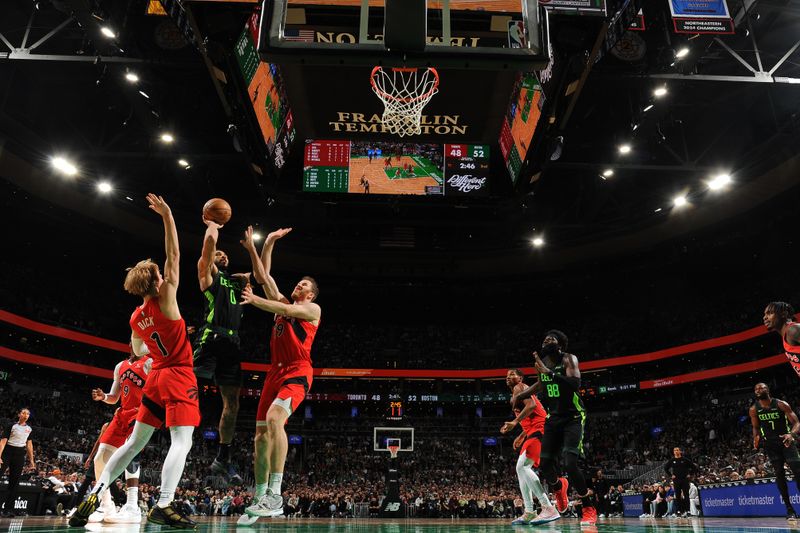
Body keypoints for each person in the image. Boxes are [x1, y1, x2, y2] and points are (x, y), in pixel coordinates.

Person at [70, 194, 200, 528]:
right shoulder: (166, 298)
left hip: (155, 377)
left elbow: (139, 350)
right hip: (178, 374)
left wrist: (157, 350)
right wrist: (168, 215)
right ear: (157, 280)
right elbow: (175, 253)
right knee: (181, 441)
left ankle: (96, 491)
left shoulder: (136, 317)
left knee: (133, 444)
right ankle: (165, 504)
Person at [239, 226, 321, 520]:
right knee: (260, 437)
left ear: (310, 294)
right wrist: (261, 244)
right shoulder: (283, 304)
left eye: (303, 285)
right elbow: (263, 277)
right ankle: (259, 497)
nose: (297, 287)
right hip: (274, 373)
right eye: (297, 284)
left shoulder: (312, 310)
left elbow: (269, 299)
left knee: (276, 419)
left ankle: (276, 494)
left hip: (298, 372)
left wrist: (256, 300)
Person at [512, 330, 596, 525]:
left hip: (573, 416)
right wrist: (521, 396)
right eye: (545, 339)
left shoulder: (569, 359)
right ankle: (560, 487)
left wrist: (549, 372)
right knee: (545, 464)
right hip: (554, 417)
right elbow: (541, 386)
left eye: (552, 339)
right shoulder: (542, 364)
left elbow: (575, 383)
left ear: (560, 345)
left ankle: (588, 507)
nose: (547, 340)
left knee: (569, 462)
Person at [194, 217, 250, 485]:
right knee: (184, 390)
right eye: (219, 253)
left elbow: (262, 275)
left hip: (232, 346)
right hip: (210, 341)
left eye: (226, 253)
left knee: (233, 404)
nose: (223, 255)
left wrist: (257, 248)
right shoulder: (207, 274)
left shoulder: (236, 282)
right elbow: (207, 250)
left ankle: (223, 457)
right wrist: (213, 227)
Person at [86, 343, 152, 523]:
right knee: (100, 458)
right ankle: (105, 505)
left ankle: (133, 506)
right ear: (131, 344)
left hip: (140, 413)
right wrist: (103, 397)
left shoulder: (150, 362)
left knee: (131, 455)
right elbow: (114, 397)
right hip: (122, 413)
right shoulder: (119, 366)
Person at [500, 369, 559, 525]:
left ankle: (548, 507)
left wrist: (514, 422)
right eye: (507, 375)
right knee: (521, 468)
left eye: (512, 374)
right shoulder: (515, 393)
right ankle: (529, 511)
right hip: (534, 430)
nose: (508, 377)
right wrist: (520, 435)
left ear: (520, 378)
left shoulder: (520, 387)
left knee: (524, 466)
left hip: (540, 429)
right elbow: (529, 418)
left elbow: (532, 406)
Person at [750, 382, 800, 520]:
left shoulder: (781, 404)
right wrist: (756, 437)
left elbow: (796, 423)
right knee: (779, 475)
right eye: (757, 388)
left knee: (798, 471)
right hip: (771, 445)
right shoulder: (754, 409)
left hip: (786, 442)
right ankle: (789, 509)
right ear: (755, 392)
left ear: (768, 390)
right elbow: (755, 427)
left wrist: (791, 434)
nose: (760, 390)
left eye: (762, 387)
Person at [0, 408, 35, 517]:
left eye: (28, 413)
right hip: (7, 452)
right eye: (24, 413)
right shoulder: (11, 425)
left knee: (14, 483)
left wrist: (32, 461)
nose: (26, 415)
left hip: (19, 454)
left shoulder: (29, 429)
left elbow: (29, 445)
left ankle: (7, 510)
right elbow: (3, 441)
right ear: (19, 414)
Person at [763, 302, 800, 378]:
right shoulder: (787, 334)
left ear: (784, 314)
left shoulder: (793, 330)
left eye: (770, 313)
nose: (765, 317)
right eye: (765, 314)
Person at [664, 447, 696, 517]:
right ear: (673, 452)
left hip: (684, 479)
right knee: (678, 496)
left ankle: (688, 511)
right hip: (676, 480)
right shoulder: (672, 460)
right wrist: (670, 475)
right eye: (675, 450)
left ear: (680, 451)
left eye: (677, 450)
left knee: (686, 495)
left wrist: (690, 474)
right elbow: (666, 468)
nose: (676, 451)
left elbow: (694, 467)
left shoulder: (685, 459)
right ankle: (679, 511)